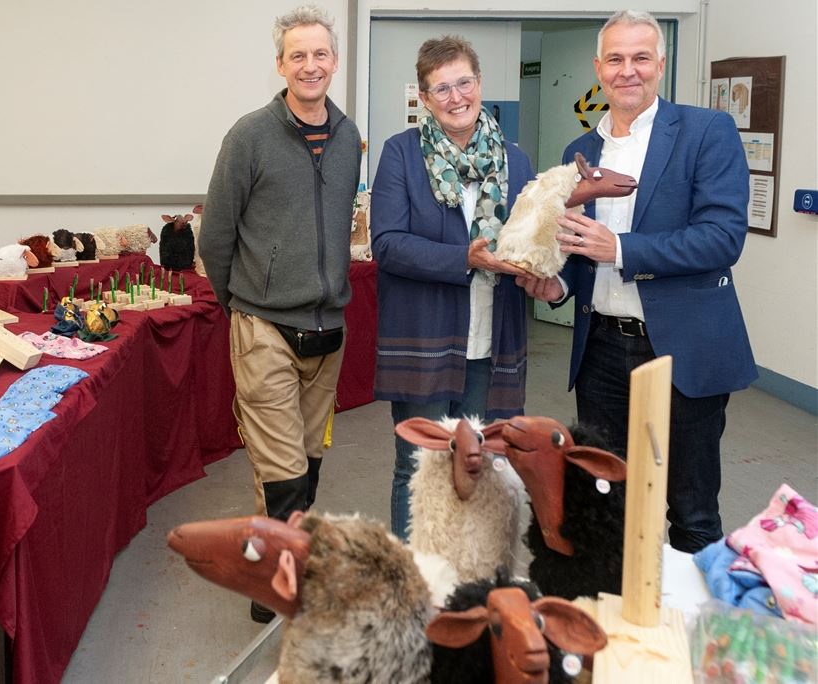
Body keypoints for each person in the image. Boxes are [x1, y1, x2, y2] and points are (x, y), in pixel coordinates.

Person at [518, 10, 756, 553]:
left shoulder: (705, 132)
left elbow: (723, 238)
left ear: (661, 65)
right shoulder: (580, 153)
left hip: (681, 352)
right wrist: (558, 287)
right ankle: (617, 630)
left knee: (692, 511)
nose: (629, 71)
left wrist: (622, 249)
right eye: (617, 59)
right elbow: (581, 251)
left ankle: (689, 636)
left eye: (641, 58)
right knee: (608, 503)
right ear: (598, 68)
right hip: (601, 351)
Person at [197, 4, 361, 622]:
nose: (311, 65)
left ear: (334, 62)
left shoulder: (348, 138)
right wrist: (241, 304)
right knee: (284, 468)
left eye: (321, 54)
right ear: (280, 63)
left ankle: (278, 561)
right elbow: (215, 237)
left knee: (310, 461)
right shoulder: (249, 136)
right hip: (263, 325)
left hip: (329, 329)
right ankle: (283, 583)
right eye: (298, 55)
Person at [370, 36, 534, 541]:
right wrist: (463, 259)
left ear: (480, 84)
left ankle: (472, 580)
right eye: (441, 88)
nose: (456, 96)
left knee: (485, 465)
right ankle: (415, 584)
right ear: (424, 97)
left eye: (464, 82)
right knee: (420, 468)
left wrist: (542, 271)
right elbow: (389, 244)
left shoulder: (516, 160)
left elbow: (534, 237)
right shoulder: (401, 153)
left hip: (492, 341)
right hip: (425, 338)